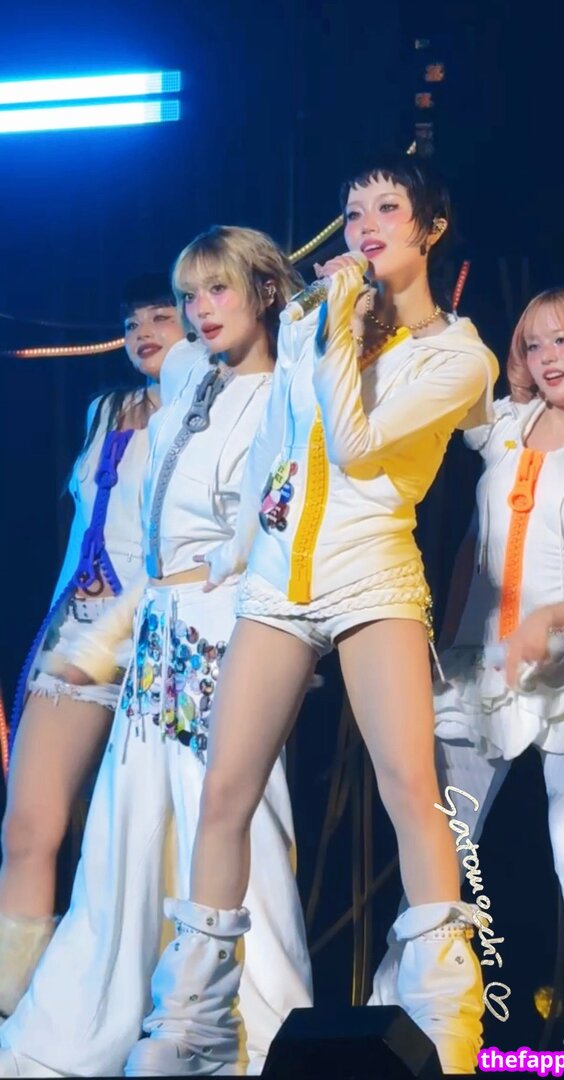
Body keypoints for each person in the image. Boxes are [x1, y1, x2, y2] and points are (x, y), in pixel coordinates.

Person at [119, 157, 499, 1078]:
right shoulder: (309, 321)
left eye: (387, 207)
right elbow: (279, 444)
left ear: (429, 228)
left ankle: (446, 1021)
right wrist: (239, 549)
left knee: (410, 790)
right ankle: (197, 1022)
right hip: (278, 584)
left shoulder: (457, 355)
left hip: (372, 576)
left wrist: (333, 321)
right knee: (224, 793)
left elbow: (359, 446)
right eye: (352, 209)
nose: (365, 225)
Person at [0, 227, 313, 1078]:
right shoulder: (184, 384)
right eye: (188, 297)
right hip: (154, 633)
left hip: (228, 625)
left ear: (265, 292)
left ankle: (252, 1024)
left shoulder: (290, 396)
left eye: (217, 291)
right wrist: (106, 639)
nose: (196, 312)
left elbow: (272, 531)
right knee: (123, 838)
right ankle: (79, 1028)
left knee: (236, 822)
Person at [371, 286, 564, 1054]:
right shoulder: (503, 425)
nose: (546, 357)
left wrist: (550, 622)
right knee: (441, 843)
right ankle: (394, 1018)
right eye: (533, 344)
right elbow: (475, 541)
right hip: (478, 668)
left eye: (563, 340)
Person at [0, 272, 182, 1021]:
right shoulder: (107, 409)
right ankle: (13, 1010)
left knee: (145, 843)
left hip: (162, 638)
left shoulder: (217, 410)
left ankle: (152, 1010)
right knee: (28, 826)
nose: (143, 333)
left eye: (162, 316)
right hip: (76, 630)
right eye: (133, 321)